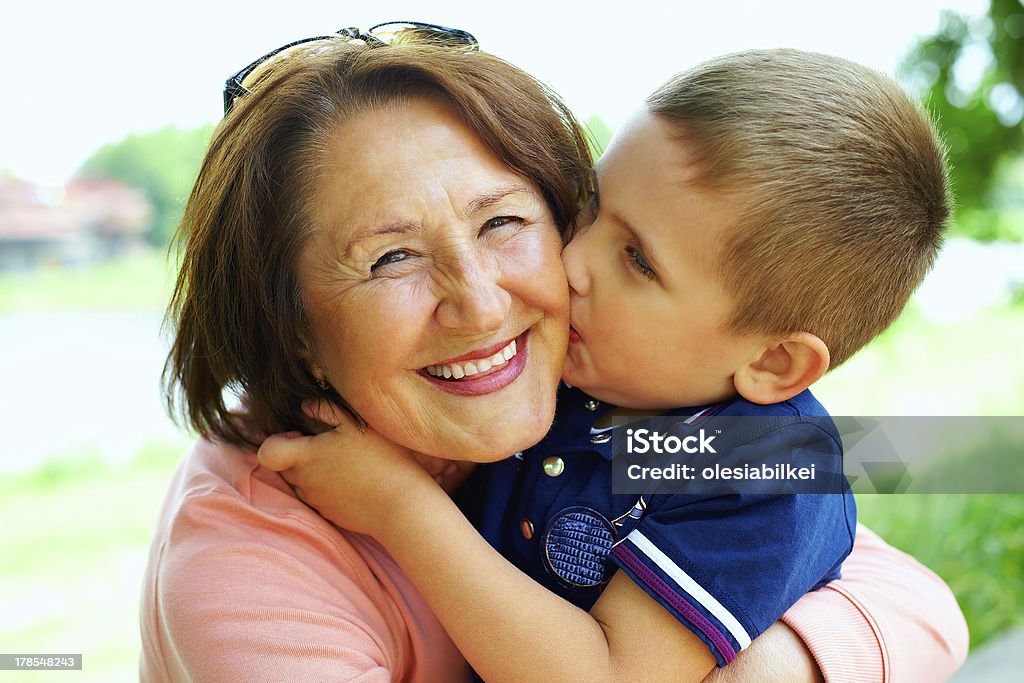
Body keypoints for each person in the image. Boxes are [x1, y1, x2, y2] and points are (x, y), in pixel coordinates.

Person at [140, 27, 968, 682]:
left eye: (504, 221)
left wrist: (402, 507)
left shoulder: (723, 442)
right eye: (390, 257)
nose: (560, 273)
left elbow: (914, 600)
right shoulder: (246, 554)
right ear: (285, 320)